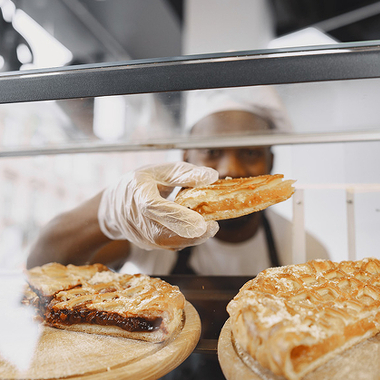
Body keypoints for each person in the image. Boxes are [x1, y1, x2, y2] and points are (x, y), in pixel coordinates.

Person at [26, 88, 329, 272]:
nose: (231, 169)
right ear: (186, 161)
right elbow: (42, 264)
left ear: (271, 163)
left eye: (250, 152)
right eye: (211, 152)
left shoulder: (306, 249)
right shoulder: (152, 231)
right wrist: (110, 210)